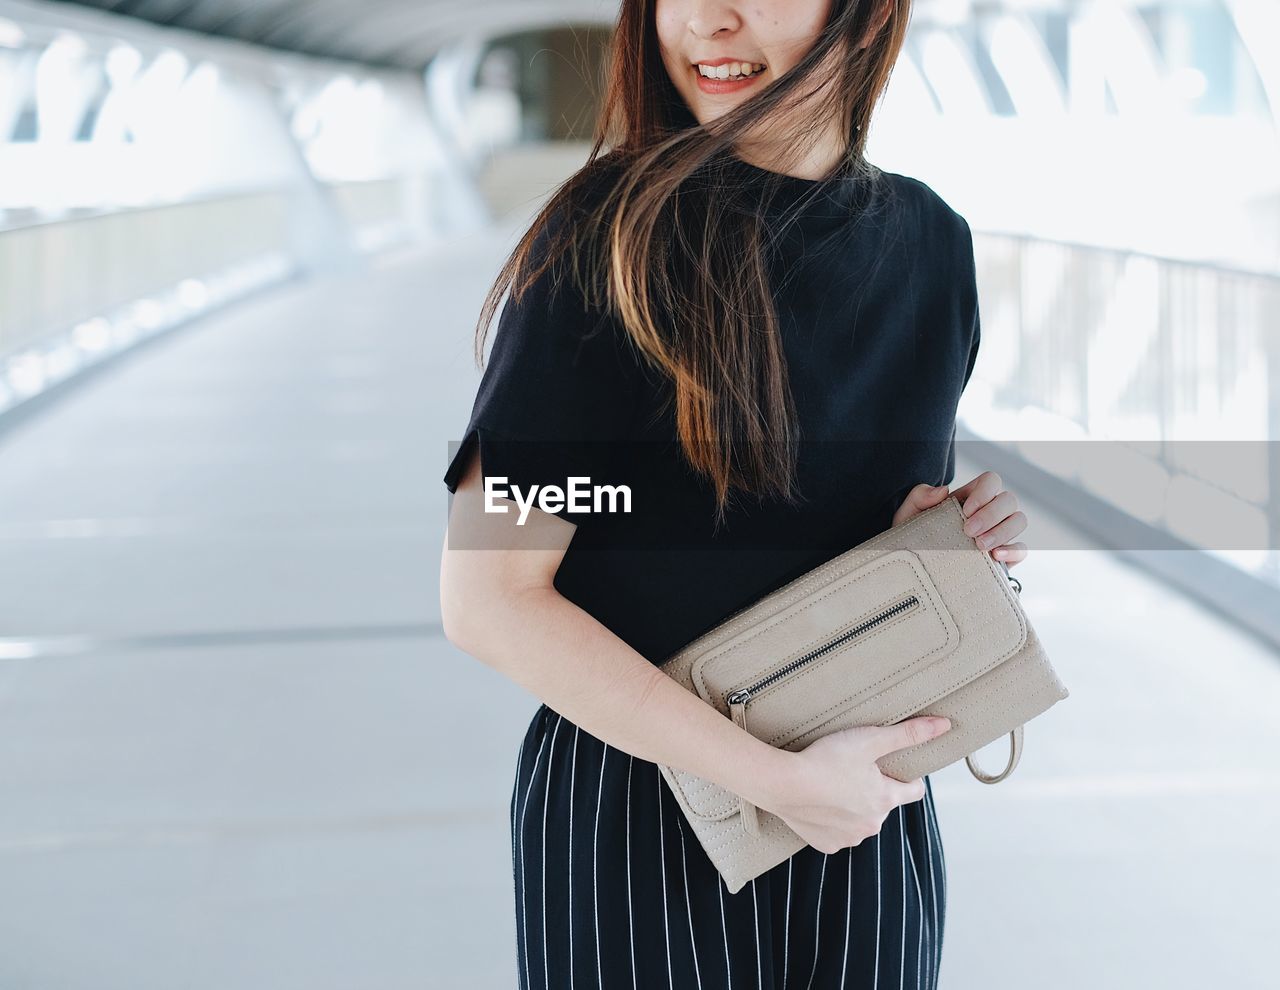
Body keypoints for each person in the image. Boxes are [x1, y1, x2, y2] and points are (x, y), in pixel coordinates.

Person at [439, 0, 1029, 986]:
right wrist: (774, 781)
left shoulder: (930, 247)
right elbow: (490, 597)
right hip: (638, 802)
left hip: (858, 800)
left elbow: (810, 533)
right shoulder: (608, 244)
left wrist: (936, 547)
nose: (710, 20)